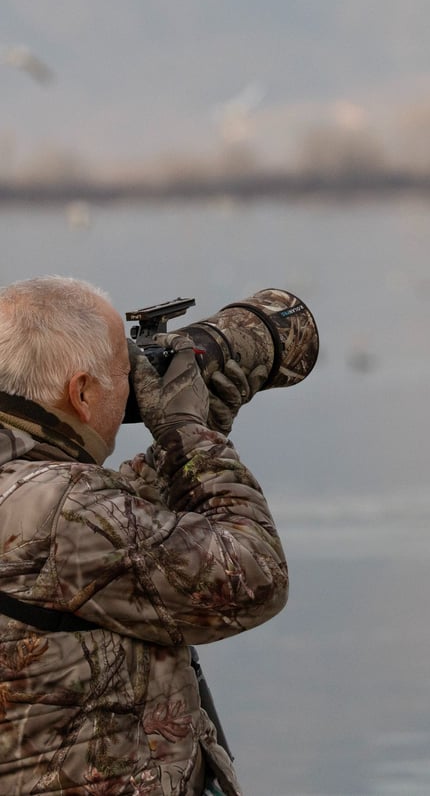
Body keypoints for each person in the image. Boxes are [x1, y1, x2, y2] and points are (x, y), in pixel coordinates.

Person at [0, 276, 289, 795]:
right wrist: (183, 432)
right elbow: (253, 574)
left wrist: (195, 444)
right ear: (82, 392)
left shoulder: (33, 490)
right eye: (127, 373)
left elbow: (112, 547)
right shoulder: (67, 507)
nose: (136, 388)